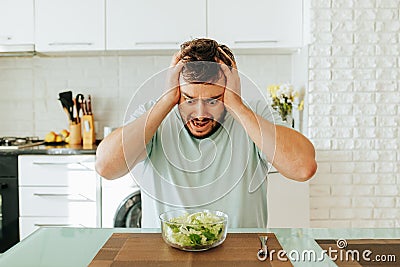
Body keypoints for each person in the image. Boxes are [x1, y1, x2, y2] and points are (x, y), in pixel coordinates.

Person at [96, 38, 317, 228]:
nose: (200, 114)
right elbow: (106, 167)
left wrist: (237, 106)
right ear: (176, 89)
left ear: (229, 89)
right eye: (189, 99)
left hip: (242, 255)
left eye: (213, 100)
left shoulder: (253, 114)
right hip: (165, 255)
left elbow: (303, 167)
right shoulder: (153, 115)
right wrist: (166, 100)